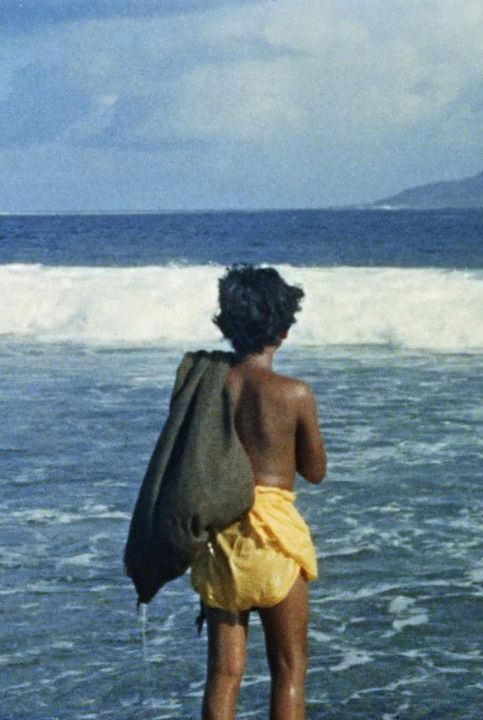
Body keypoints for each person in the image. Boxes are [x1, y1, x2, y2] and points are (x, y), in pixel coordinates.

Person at [190, 264, 326, 720]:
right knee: (289, 669)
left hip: (221, 535)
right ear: (284, 330)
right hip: (275, 540)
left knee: (225, 673)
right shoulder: (295, 393)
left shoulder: (211, 388)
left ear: (226, 325)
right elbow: (315, 471)